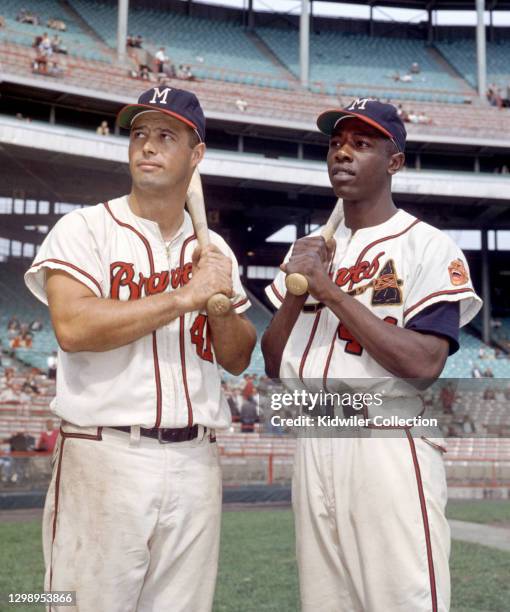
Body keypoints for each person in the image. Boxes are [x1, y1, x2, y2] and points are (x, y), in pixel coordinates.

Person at [24, 85, 256, 612]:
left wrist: (218, 303)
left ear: (195, 156)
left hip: (196, 461)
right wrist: (186, 295)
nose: (147, 146)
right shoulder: (83, 229)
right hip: (104, 456)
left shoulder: (213, 250)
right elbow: (73, 326)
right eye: (140, 134)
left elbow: (239, 357)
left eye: (166, 136)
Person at [262, 98, 482, 612]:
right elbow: (274, 363)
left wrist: (331, 291)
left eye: (361, 145)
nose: (342, 153)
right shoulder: (309, 251)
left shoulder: (427, 246)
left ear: (394, 162)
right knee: (326, 602)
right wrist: (298, 290)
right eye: (337, 144)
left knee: (401, 600)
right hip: (314, 435)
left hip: (386, 439)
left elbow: (425, 364)